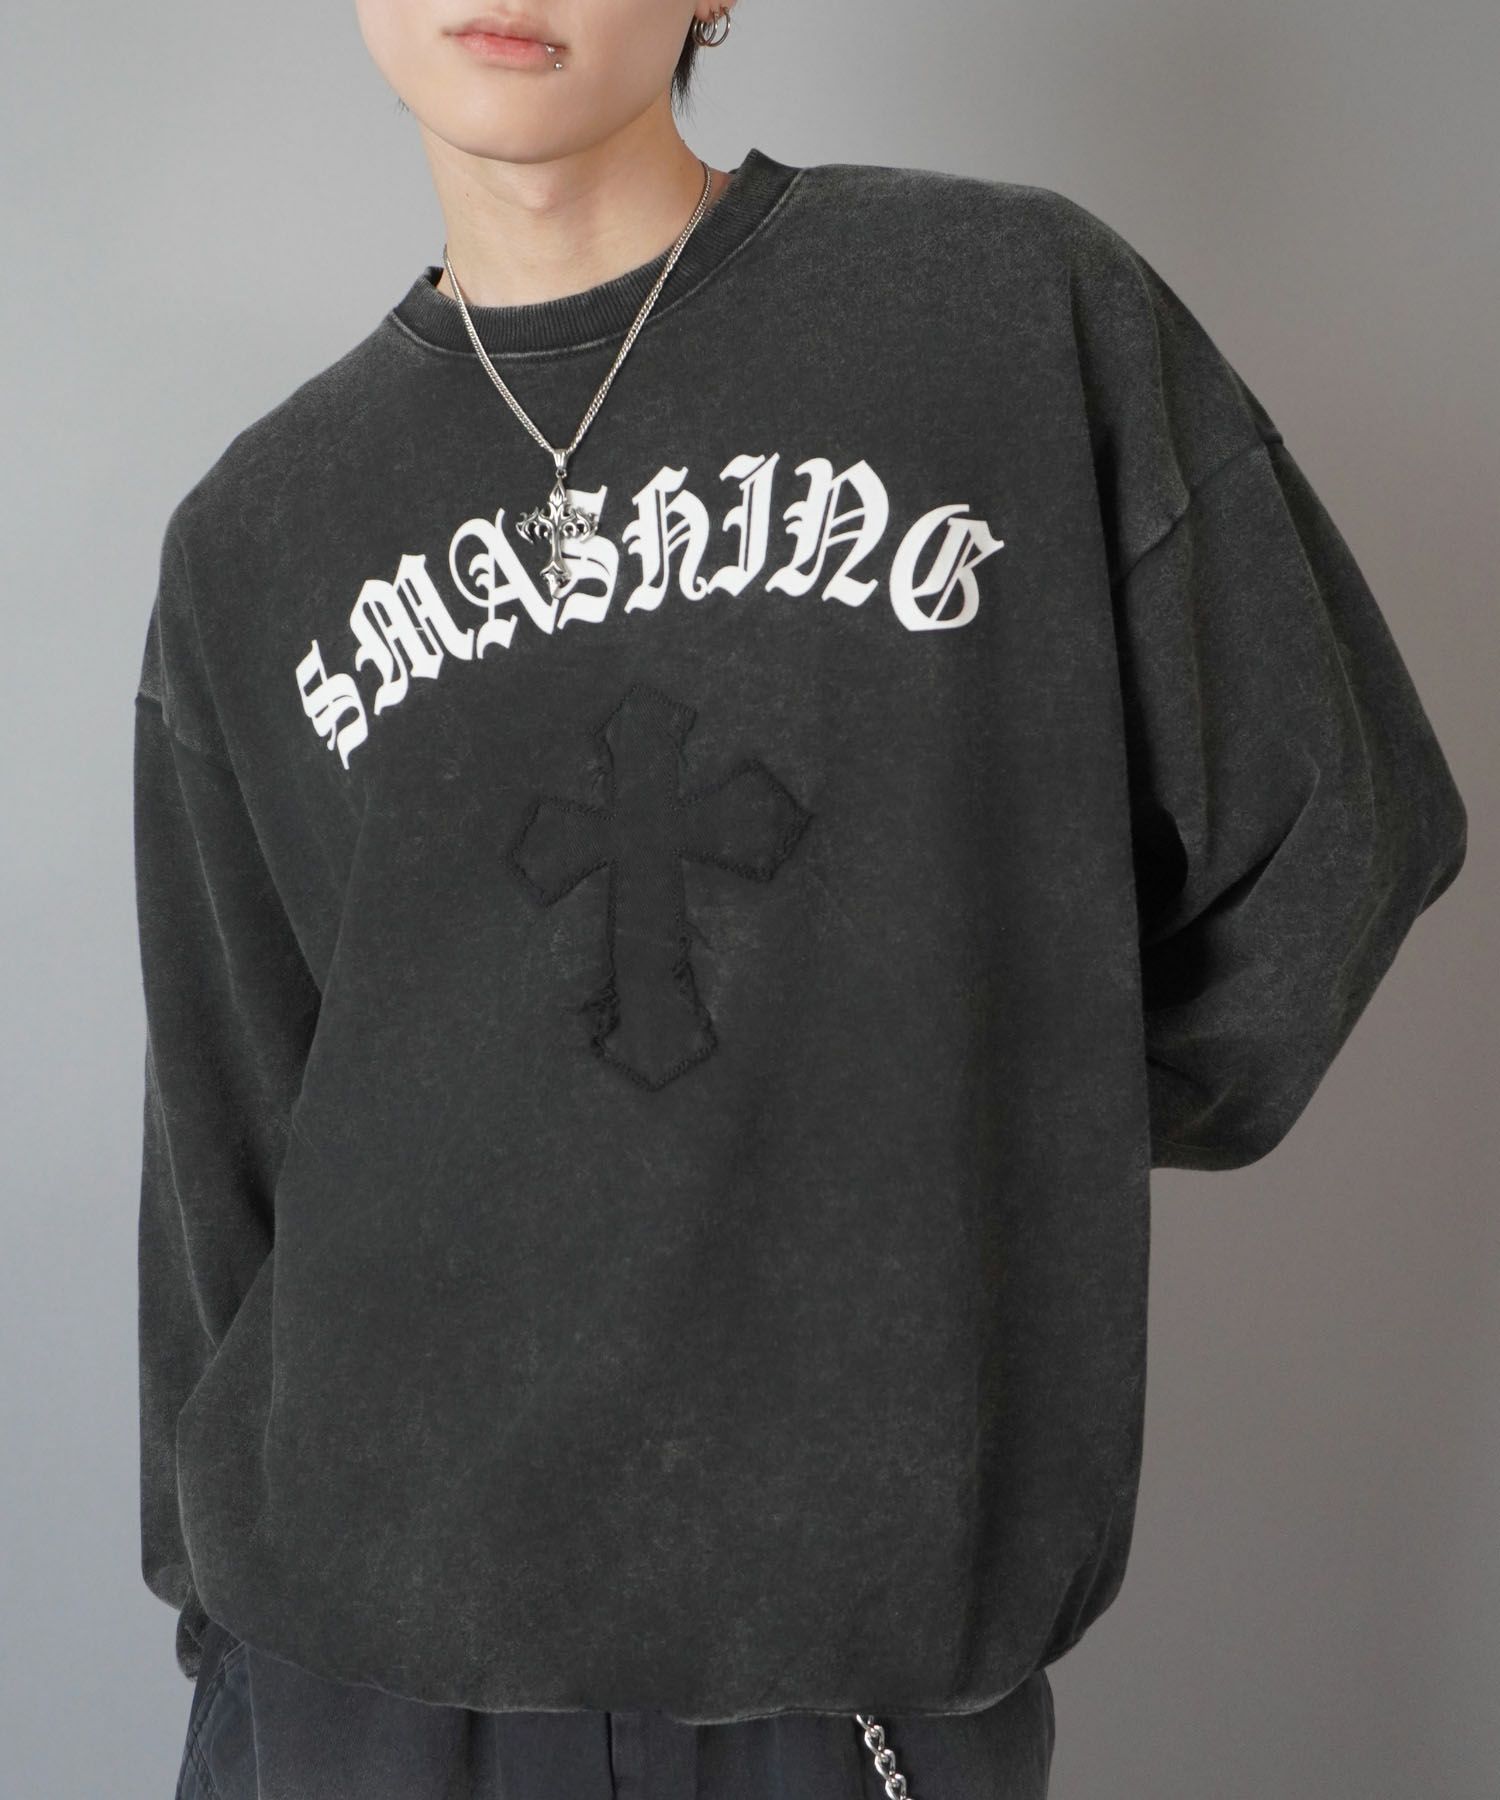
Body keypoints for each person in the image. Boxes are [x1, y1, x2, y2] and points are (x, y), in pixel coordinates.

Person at [131, 3, 1469, 1797]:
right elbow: (226, 1148)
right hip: (351, 1673)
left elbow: (1337, 830)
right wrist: (224, 1635)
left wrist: (981, 1147)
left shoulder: (997, 317)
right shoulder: (255, 532)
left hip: (835, 1672)